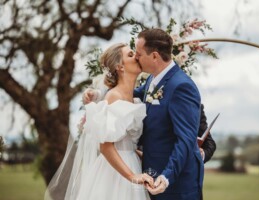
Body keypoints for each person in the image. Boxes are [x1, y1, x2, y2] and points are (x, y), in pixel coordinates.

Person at [45, 43, 153, 200]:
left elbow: (124, 141)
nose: (136, 56)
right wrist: (132, 176)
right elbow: (105, 146)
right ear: (120, 67)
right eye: (130, 55)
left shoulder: (134, 98)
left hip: (132, 162)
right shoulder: (114, 96)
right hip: (116, 174)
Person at [134, 28, 203, 200]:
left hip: (176, 184)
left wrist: (166, 176)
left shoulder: (181, 86)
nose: (136, 57)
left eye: (139, 53)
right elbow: (133, 92)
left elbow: (186, 139)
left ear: (155, 56)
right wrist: (100, 93)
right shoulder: (152, 78)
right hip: (152, 175)